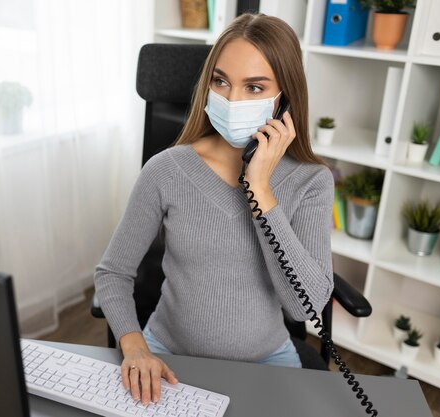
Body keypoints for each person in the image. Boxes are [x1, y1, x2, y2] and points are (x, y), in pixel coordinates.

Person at [94, 13, 334, 406]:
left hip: (266, 363)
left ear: (285, 98)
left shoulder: (311, 181)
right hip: (166, 356)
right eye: (221, 81)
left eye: (254, 87)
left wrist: (259, 190)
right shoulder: (167, 169)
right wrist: (136, 347)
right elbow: (113, 273)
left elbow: (302, 305)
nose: (232, 99)